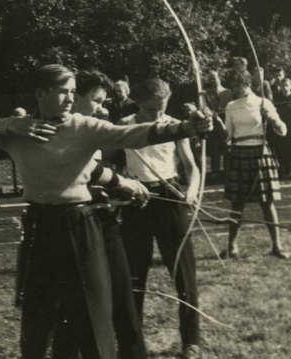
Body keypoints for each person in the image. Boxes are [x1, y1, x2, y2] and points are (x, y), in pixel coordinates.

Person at [0, 64, 212, 359]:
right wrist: (10, 124)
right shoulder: (20, 131)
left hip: (79, 224)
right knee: (37, 317)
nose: (69, 99)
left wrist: (185, 127)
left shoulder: (83, 126)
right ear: (40, 93)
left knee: (91, 314)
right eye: (63, 92)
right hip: (39, 226)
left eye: (73, 93)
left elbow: (131, 134)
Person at [52, 69, 148, 359]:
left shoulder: (93, 125)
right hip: (74, 227)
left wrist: (123, 190)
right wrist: (123, 184)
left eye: (104, 100)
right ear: (74, 97)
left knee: (123, 302)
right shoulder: (55, 128)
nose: (102, 106)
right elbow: (84, 171)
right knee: (75, 310)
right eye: (95, 99)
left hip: (102, 221)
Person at [118, 79, 202, 359]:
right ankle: (132, 345)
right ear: (138, 102)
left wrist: (192, 190)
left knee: (184, 274)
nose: (157, 115)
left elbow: (191, 167)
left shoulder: (176, 126)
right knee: (134, 276)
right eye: (151, 109)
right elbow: (103, 160)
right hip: (136, 200)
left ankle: (191, 342)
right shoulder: (124, 124)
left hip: (171, 196)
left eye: (162, 108)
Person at [223, 70, 289, 259]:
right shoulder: (231, 105)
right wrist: (216, 126)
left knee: (267, 203)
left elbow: (283, 130)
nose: (234, 89)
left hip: (260, 152)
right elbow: (227, 135)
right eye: (233, 86)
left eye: (237, 85)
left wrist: (271, 118)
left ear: (246, 84)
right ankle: (232, 246)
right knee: (237, 204)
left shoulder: (263, 103)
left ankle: (277, 246)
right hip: (239, 154)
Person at [204, 69, 233, 182]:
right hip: (214, 124)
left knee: (227, 147)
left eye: (214, 78)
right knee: (214, 148)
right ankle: (215, 172)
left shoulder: (228, 92)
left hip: (226, 123)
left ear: (219, 78)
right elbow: (205, 107)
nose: (212, 81)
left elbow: (232, 105)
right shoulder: (206, 93)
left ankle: (227, 171)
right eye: (210, 79)